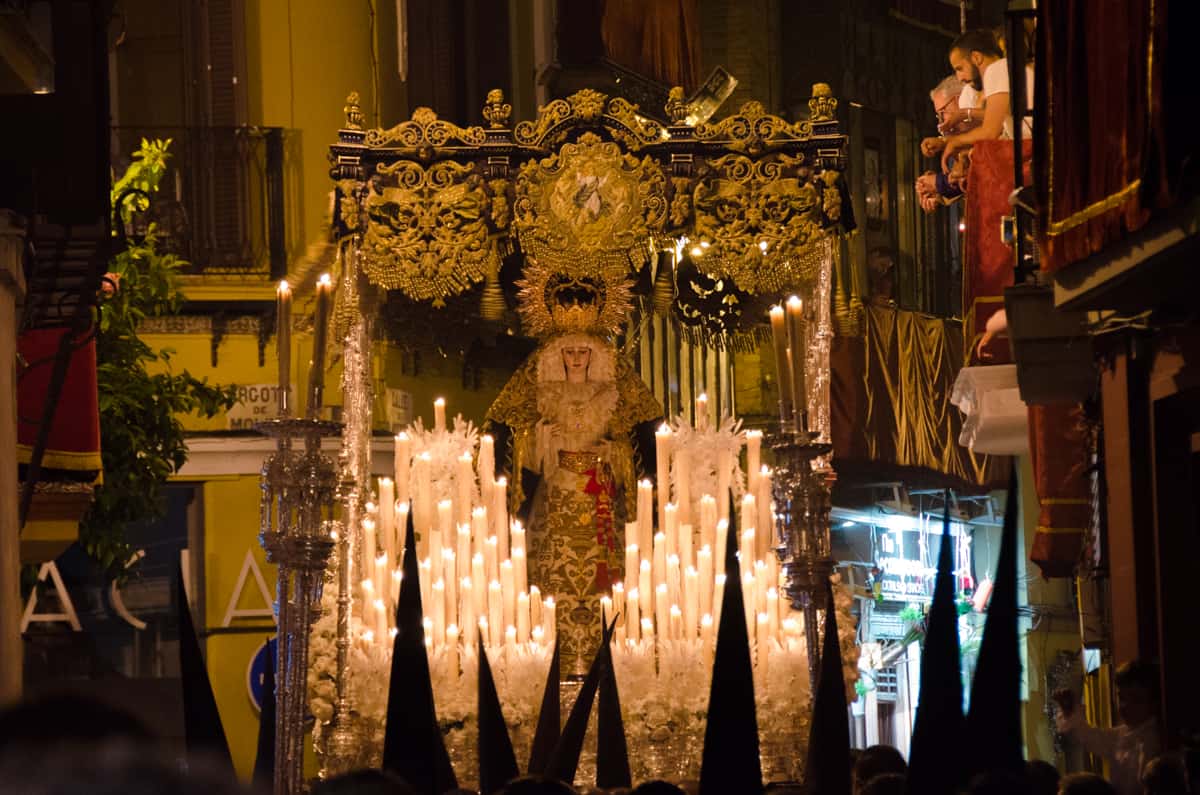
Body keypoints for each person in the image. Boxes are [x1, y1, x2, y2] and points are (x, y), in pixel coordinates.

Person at [487, 264, 661, 675]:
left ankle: (609, 653)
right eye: (570, 353)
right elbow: (509, 436)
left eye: (584, 353)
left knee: (606, 578)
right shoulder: (539, 391)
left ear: (596, 356)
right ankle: (553, 655)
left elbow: (642, 444)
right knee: (551, 575)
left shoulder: (615, 390)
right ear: (556, 357)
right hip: (557, 501)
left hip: (601, 499)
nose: (577, 360)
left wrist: (615, 452)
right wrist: (537, 444)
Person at [1055, 661, 1162, 795]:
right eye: (1121, 697)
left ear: (1154, 702)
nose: (1125, 706)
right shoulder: (1123, 734)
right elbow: (1091, 737)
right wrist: (1069, 710)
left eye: (1137, 699)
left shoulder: (1154, 740)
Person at [939, 29, 1034, 172]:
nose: (959, 78)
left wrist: (955, 142)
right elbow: (1003, 126)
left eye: (960, 68)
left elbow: (990, 132)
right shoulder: (1004, 69)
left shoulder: (997, 69)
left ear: (976, 57)